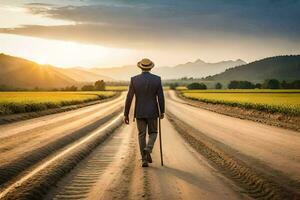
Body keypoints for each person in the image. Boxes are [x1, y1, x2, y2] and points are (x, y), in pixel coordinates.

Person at [124, 58, 165, 167]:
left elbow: (129, 97)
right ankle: (149, 147)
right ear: (151, 67)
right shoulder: (157, 79)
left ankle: (144, 160)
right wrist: (162, 111)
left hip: (139, 111)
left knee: (141, 134)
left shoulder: (134, 80)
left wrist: (126, 114)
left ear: (140, 67)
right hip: (153, 111)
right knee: (154, 132)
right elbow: (160, 97)